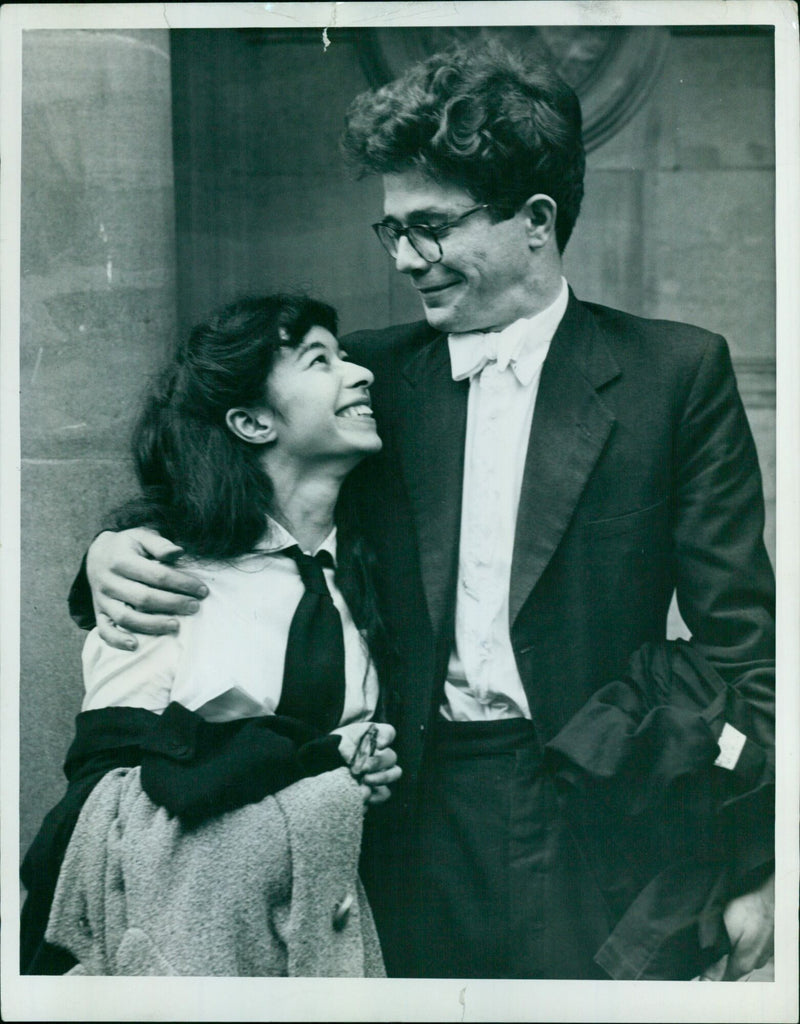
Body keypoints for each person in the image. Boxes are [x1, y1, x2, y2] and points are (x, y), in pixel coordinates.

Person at [68, 44, 775, 980]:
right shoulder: (366, 377)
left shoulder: (673, 373)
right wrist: (108, 552)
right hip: (393, 831)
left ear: (535, 221)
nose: (406, 259)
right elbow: (214, 483)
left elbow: (746, 652)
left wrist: (760, 864)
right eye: (391, 231)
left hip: (600, 829)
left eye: (431, 228)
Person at [21, 294, 401, 976]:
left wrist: (360, 769)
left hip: (317, 941)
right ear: (252, 421)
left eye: (344, 356)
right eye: (320, 360)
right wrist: (316, 762)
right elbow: (113, 795)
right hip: (178, 947)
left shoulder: (370, 583)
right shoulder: (162, 578)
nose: (359, 373)